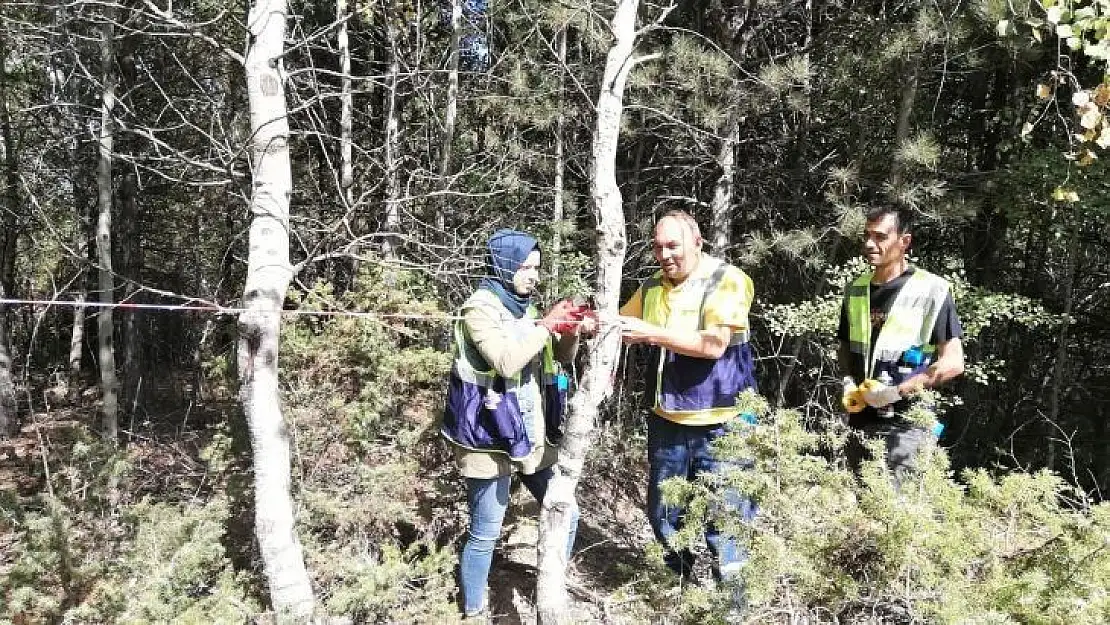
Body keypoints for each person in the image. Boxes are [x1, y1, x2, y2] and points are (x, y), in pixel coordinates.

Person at [440, 228, 593, 618]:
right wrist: (546, 324)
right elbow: (505, 360)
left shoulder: (523, 305)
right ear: (503, 264)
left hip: (529, 433)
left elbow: (560, 358)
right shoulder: (480, 308)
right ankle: (474, 611)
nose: (533, 275)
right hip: (487, 438)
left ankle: (550, 584)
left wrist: (569, 329)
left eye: (537, 268)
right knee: (485, 533)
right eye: (525, 266)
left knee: (566, 512)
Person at [617, 210, 758, 585]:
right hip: (668, 421)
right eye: (658, 247)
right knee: (665, 513)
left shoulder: (727, 280)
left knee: (728, 519)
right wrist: (578, 321)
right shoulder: (651, 287)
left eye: (673, 245)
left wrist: (651, 333)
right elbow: (621, 323)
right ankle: (677, 588)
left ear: (697, 242)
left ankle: (731, 605)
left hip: (726, 422)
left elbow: (714, 346)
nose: (665, 255)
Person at [837, 206, 965, 485]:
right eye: (867, 235)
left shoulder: (932, 289)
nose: (870, 244)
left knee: (894, 512)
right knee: (865, 508)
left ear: (904, 241)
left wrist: (897, 391)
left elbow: (953, 362)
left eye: (880, 237)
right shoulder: (856, 290)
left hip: (907, 424)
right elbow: (846, 347)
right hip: (861, 418)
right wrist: (847, 380)